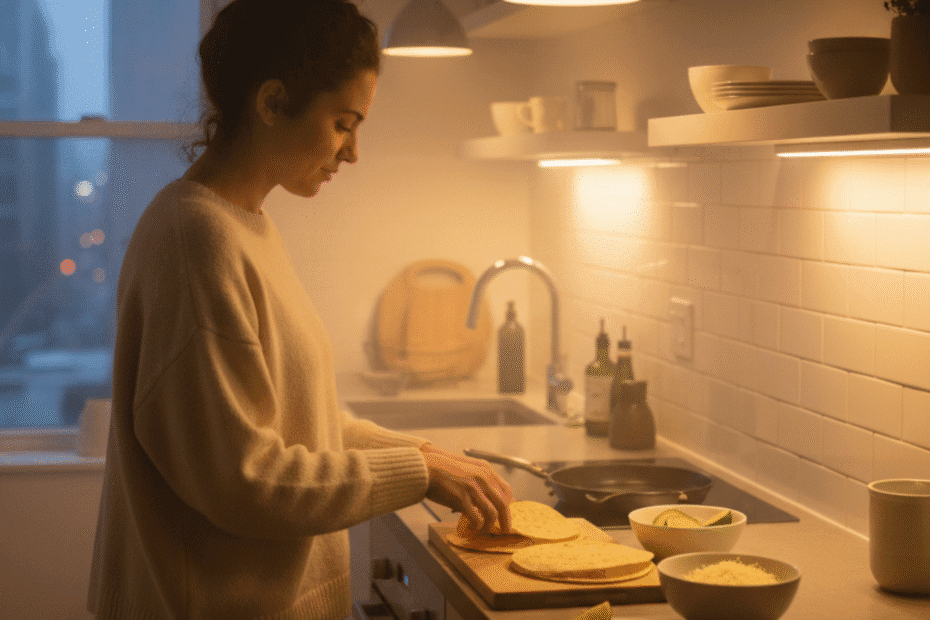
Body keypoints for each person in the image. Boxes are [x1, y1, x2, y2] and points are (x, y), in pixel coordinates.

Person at [86, 1, 512, 618]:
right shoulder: (195, 240)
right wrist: (416, 473)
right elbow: (245, 482)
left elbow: (298, 423)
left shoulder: (242, 226)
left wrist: (426, 455)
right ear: (272, 102)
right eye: (343, 123)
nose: (353, 151)